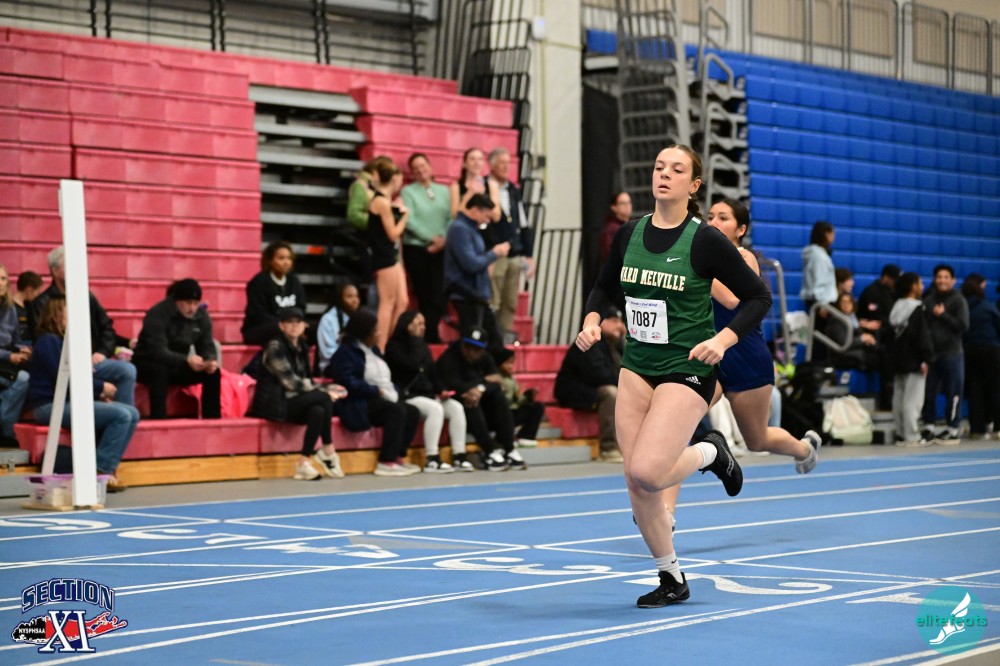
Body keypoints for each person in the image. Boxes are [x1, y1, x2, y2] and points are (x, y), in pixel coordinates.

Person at [577, 144, 771, 608]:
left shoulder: (705, 240)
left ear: (693, 185)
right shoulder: (629, 232)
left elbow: (758, 297)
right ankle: (672, 577)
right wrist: (592, 320)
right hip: (638, 366)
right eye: (659, 166)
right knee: (636, 481)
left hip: (687, 367)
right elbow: (603, 286)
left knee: (648, 471)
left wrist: (724, 340)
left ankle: (710, 452)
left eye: (676, 169)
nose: (664, 174)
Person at [702, 199, 820, 472]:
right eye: (710, 217)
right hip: (711, 357)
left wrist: (699, 271)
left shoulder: (745, 259)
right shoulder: (700, 260)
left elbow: (730, 299)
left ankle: (805, 449)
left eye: (723, 218)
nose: (714, 223)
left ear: (740, 229)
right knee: (685, 415)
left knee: (757, 440)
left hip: (746, 359)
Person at [26, 297, 138, 492]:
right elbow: (64, 378)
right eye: (68, 313)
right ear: (56, 316)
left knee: (132, 413)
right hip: (49, 405)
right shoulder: (48, 341)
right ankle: (101, 471)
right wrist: (100, 387)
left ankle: (105, 466)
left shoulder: (62, 342)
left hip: (68, 401)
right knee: (122, 415)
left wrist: (96, 394)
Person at [28, 246, 136, 407]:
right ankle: (117, 415)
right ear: (55, 271)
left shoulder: (87, 297)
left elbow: (107, 328)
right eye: (69, 265)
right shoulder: (42, 303)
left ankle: (123, 413)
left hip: (92, 358)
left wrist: (102, 352)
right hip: (65, 362)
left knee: (127, 370)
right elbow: (42, 341)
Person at [251, 307, 348, 481]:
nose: (294, 326)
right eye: (289, 322)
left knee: (318, 411)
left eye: (298, 322)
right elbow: (291, 383)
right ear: (281, 326)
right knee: (325, 397)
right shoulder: (274, 347)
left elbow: (306, 380)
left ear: (304, 325)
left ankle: (303, 462)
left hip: (294, 400)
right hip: (274, 404)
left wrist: (325, 388)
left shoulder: (302, 347)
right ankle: (328, 449)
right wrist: (325, 389)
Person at [328, 309, 421, 477]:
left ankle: (398, 456)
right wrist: (374, 390)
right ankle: (386, 461)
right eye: (375, 330)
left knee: (412, 411)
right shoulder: (345, 353)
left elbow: (384, 377)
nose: (378, 333)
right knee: (396, 411)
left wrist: (394, 391)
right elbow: (346, 382)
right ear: (364, 331)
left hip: (378, 397)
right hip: (357, 402)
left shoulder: (374, 350)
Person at [385, 311, 473, 472]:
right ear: (407, 325)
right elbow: (413, 365)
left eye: (423, 324)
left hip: (427, 394)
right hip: (408, 395)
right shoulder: (394, 347)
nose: (423, 328)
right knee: (435, 409)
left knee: (456, 408)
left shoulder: (422, 346)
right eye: (418, 324)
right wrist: (415, 340)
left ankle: (459, 455)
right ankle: (432, 458)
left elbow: (432, 372)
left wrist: (442, 390)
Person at [435, 325, 524, 471]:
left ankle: (509, 449)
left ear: (483, 349)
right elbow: (453, 385)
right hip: (463, 410)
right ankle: (489, 451)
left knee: (498, 398)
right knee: (471, 401)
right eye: (467, 347)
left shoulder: (486, 358)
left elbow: (497, 383)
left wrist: (480, 389)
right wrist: (481, 383)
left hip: (485, 411)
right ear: (462, 344)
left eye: (476, 349)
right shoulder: (448, 358)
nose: (471, 352)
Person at [132, 279, 221, 420]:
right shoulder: (158, 314)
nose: (192, 308)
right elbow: (157, 350)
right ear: (177, 301)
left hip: (179, 363)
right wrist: (186, 360)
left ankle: (212, 419)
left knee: (213, 373)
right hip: (148, 362)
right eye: (188, 303)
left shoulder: (202, 317)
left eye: (196, 303)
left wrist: (209, 360)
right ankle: (159, 419)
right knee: (160, 370)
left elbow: (206, 344)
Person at [555, 305, 626, 462]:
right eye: (614, 321)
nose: (620, 326)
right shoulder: (591, 341)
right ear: (602, 322)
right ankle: (608, 448)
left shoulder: (614, 344)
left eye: (621, 321)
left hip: (593, 388)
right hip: (574, 391)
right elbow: (599, 376)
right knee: (611, 393)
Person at [443, 193, 510, 357]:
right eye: (486, 216)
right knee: (473, 343)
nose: (488, 221)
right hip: (466, 294)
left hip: (476, 295)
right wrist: (494, 254)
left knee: (493, 340)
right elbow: (470, 264)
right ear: (476, 210)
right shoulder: (459, 229)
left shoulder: (470, 230)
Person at [401, 153, 452, 343]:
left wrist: (443, 240)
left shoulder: (444, 191)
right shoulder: (408, 192)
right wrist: (430, 239)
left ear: (430, 167)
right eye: (415, 168)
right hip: (417, 249)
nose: (420, 170)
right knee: (424, 294)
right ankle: (429, 335)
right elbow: (409, 220)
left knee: (439, 295)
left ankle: (431, 331)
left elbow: (450, 217)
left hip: (441, 249)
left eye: (423, 165)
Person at [486, 147, 536, 341]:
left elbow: (523, 223)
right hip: (495, 252)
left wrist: (528, 254)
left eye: (508, 163)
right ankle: (490, 335)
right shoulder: (485, 186)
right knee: (493, 297)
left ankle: (504, 334)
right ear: (491, 165)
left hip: (514, 253)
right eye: (501, 163)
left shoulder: (513, 191)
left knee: (510, 299)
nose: (506, 167)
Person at [920, 264, 969, 445]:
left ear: (953, 280)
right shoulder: (928, 300)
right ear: (935, 279)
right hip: (932, 355)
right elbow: (923, 327)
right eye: (939, 277)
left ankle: (953, 428)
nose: (942, 280)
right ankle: (929, 426)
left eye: (946, 277)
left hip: (952, 354)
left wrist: (943, 315)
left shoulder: (958, 300)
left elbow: (963, 325)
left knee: (953, 392)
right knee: (928, 391)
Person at [368, 157, 410, 352]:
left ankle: (390, 341)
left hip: (392, 256)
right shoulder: (381, 201)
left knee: (402, 301)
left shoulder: (387, 202)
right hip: (383, 257)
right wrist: (405, 217)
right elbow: (393, 234)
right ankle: (380, 347)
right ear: (394, 178)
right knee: (387, 303)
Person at [888, 272, 934, 446]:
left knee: (899, 398)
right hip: (914, 360)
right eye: (920, 283)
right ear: (913, 286)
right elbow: (921, 336)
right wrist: (926, 358)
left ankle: (900, 433)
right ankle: (912, 435)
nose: (922, 286)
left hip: (897, 359)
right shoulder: (916, 308)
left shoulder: (896, 306)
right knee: (912, 400)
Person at [241, 241, 308, 346]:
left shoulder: (294, 281)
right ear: (270, 261)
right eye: (281, 258)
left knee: (311, 330)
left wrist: (296, 323)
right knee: (279, 329)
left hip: (288, 325)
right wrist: (283, 323)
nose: (286, 262)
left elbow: (301, 307)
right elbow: (258, 314)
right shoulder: (259, 282)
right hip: (259, 327)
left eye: (289, 258)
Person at [960, 274, 1000, 440]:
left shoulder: (963, 307)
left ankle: (977, 428)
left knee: (975, 389)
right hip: (990, 349)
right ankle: (998, 427)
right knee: (995, 388)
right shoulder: (987, 306)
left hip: (970, 350)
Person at [857, 264, 902, 410]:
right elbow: (867, 316)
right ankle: (887, 402)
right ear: (886, 278)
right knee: (886, 364)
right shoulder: (871, 292)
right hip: (877, 338)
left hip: (892, 337)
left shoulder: (895, 293)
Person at [0, 264, 31, 446]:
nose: (0, 283)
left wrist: (22, 349)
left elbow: (15, 339)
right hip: (3, 360)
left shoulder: (10, 308)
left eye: (3, 278)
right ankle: (6, 429)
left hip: (5, 360)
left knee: (35, 369)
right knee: (23, 378)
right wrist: (9, 356)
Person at [495, 346, 545, 448]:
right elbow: (503, 402)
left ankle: (526, 436)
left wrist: (527, 396)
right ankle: (503, 438)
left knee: (537, 407)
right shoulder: (496, 379)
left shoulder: (511, 379)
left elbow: (517, 401)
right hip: (501, 415)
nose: (510, 366)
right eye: (507, 363)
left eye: (512, 363)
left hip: (513, 411)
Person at [826, 292, 880, 370]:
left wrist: (868, 340)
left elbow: (859, 335)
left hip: (855, 350)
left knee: (881, 350)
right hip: (843, 355)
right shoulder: (836, 321)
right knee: (878, 357)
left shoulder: (853, 318)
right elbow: (843, 343)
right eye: (843, 302)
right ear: (838, 305)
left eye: (849, 302)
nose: (846, 305)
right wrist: (862, 339)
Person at [316, 283, 361, 375]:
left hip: (355, 363)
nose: (355, 300)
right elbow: (328, 353)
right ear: (340, 299)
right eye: (349, 296)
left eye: (356, 296)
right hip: (332, 365)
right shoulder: (328, 319)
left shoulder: (360, 319)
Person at [448, 147, 501, 222]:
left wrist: (483, 198)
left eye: (480, 159)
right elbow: (455, 215)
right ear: (464, 163)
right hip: (466, 227)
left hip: (487, 228)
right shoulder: (456, 186)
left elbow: (496, 217)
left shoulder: (492, 185)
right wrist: (469, 194)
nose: (476, 163)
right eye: (472, 159)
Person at [800, 221, 837, 311]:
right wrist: (823, 304)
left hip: (820, 302)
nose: (834, 236)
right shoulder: (818, 256)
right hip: (822, 304)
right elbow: (820, 280)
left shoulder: (817, 254)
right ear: (826, 234)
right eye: (832, 233)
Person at [600, 191, 633, 263]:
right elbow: (610, 253)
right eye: (623, 203)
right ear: (614, 207)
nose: (627, 206)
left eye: (629, 202)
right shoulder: (612, 228)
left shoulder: (634, 225)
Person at [13, 270, 43, 343]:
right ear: (29, 290)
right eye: (37, 292)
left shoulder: (30, 306)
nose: (38, 296)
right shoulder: (10, 308)